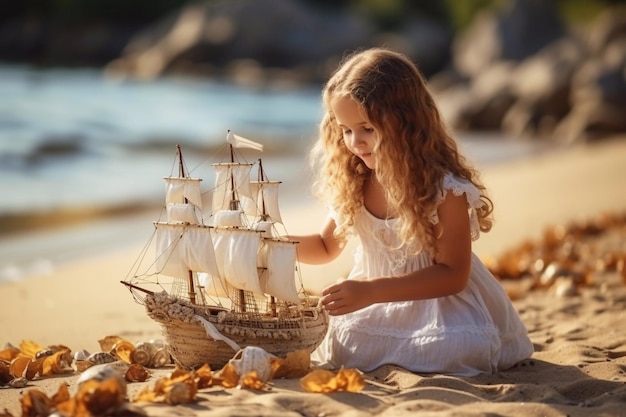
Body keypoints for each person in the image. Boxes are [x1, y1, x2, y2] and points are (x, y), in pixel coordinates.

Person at [290, 47, 533, 376]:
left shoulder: (443, 189)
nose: (355, 142)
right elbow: (324, 246)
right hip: (375, 304)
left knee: (455, 347)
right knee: (344, 340)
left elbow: (452, 274)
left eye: (367, 129)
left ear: (405, 123)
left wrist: (372, 290)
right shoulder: (356, 181)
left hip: (440, 305)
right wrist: (269, 243)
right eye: (346, 130)